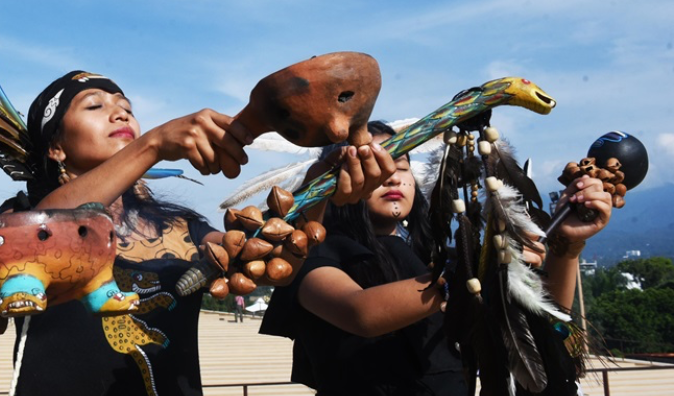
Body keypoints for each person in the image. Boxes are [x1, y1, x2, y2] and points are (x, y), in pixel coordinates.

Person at [0, 71, 395, 396]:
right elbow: (48, 226)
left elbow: (268, 258)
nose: (120, 115)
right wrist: (153, 145)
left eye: (127, 108)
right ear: (55, 147)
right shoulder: (21, 216)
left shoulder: (180, 226)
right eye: (95, 106)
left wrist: (318, 186)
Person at [261, 121, 613, 396]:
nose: (392, 175)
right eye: (376, 165)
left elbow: (541, 321)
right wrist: (472, 269)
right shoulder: (310, 251)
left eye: (402, 165)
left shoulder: (435, 258)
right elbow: (360, 312)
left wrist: (566, 247)